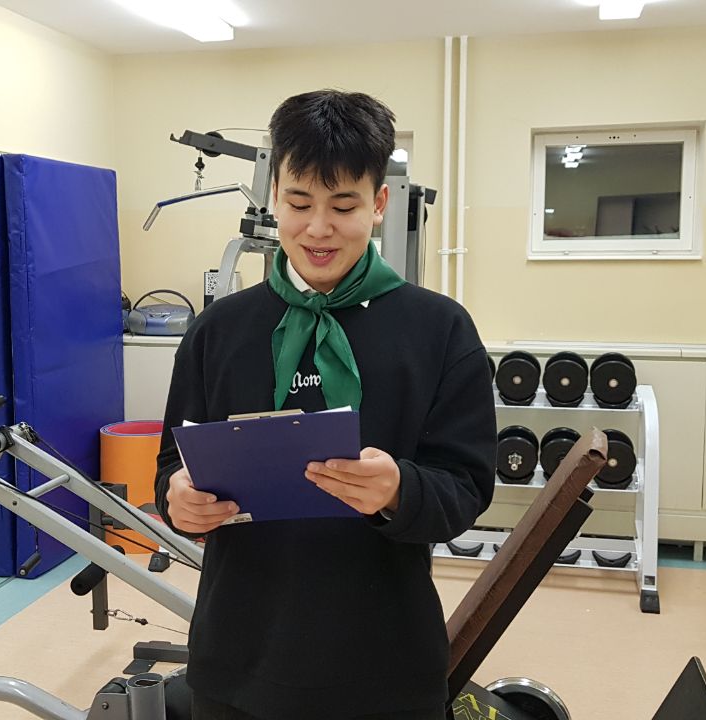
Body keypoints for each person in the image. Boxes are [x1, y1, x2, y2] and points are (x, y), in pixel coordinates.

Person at [154, 89, 496, 719]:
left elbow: (467, 488)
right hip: (238, 659)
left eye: (343, 206)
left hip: (386, 664)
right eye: (298, 203)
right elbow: (170, 469)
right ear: (273, 197)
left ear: (379, 203)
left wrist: (399, 490)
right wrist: (180, 500)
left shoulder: (440, 330)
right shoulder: (218, 332)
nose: (317, 228)